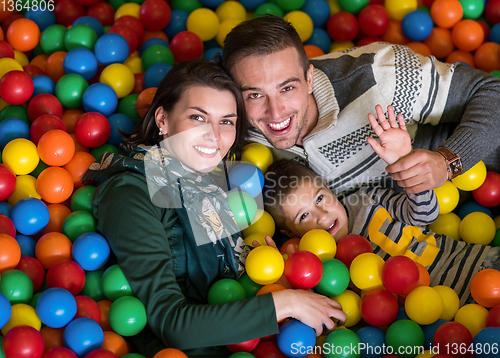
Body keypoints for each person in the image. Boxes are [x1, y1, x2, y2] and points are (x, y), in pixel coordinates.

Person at [83, 58, 346, 358]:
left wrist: (269, 276)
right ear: (163, 119)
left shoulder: (207, 180)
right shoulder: (130, 193)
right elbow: (172, 323)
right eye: (198, 118)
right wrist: (286, 303)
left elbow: (226, 279)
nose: (215, 136)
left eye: (226, 121)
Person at [221, 15, 500, 197]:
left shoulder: (381, 74)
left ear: (308, 78)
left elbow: (491, 92)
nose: (276, 112)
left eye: (287, 88)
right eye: (254, 95)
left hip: (464, 179)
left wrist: (446, 161)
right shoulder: (230, 125)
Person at [263, 105, 500, 306]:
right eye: (303, 216)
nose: (322, 216)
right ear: (290, 233)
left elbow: (424, 214)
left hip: (480, 266)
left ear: (327, 187)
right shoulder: (320, 266)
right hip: (439, 315)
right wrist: (290, 274)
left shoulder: (368, 199)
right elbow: (325, 310)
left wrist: (404, 162)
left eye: (319, 199)